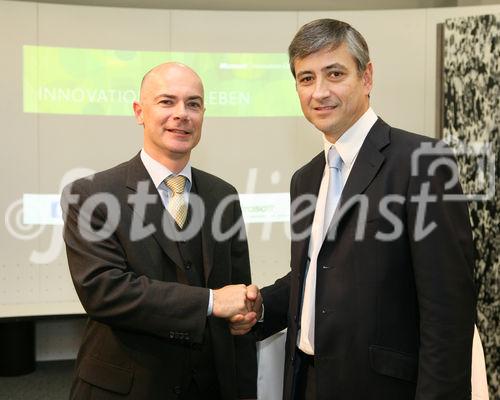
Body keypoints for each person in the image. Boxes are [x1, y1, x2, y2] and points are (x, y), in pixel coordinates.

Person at [230, 19, 476, 399]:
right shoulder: (305, 178)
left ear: (367, 77)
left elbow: (448, 312)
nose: (320, 92)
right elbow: (315, 275)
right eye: (306, 78)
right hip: (306, 382)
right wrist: (262, 306)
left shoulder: (422, 163)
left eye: (335, 73)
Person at [61, 62, 257, 400]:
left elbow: (236, 291)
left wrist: (246, 313)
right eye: (167, 102)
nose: (182, 114)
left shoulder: (223, 195)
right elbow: (105, 292)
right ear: (139, 111)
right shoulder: (92, 194)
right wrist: (210, 302)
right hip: (126, 388)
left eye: (193, 104)